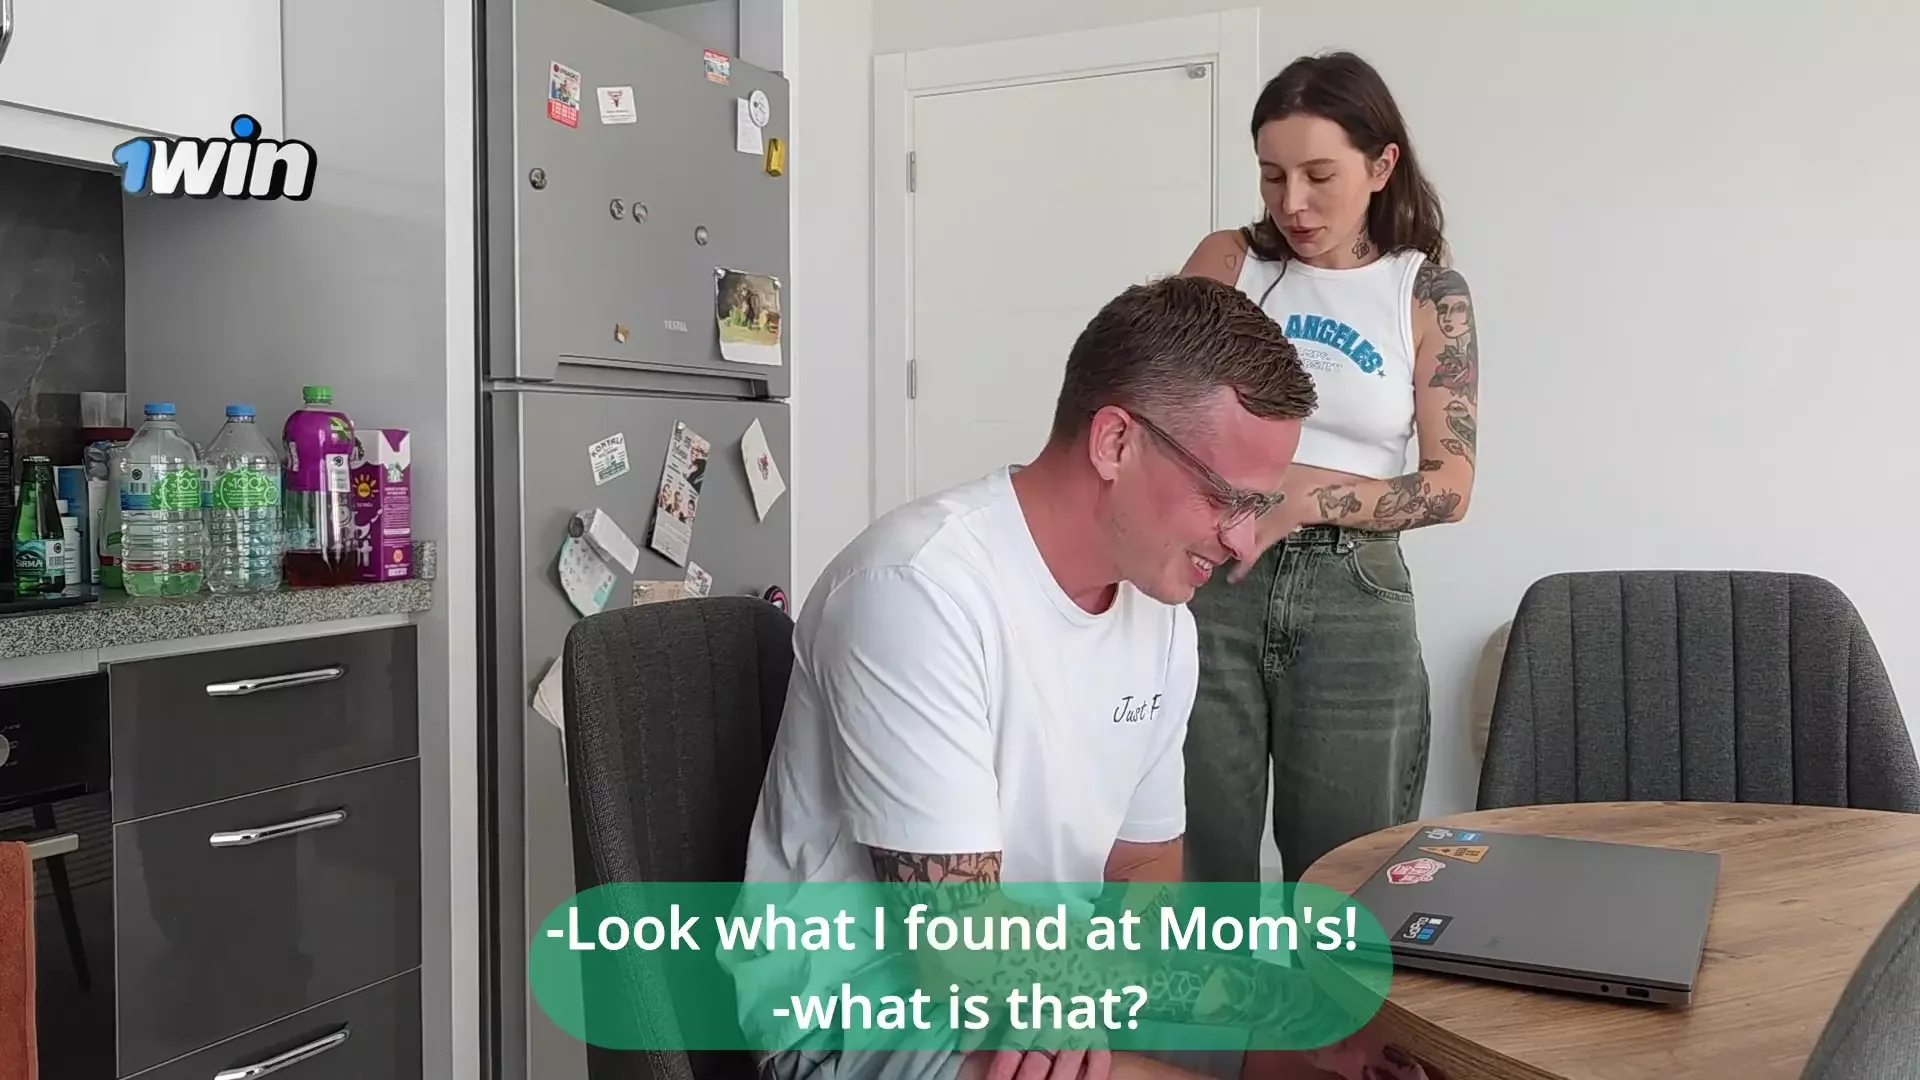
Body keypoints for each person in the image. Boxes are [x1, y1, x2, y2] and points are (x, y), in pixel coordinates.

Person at [739, 276, 1438, 1080]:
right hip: (862, 1014)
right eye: (1228, 499)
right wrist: (1267, 1000)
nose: (1245, 542)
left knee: (1360, 1061)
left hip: (1049, 988)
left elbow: (1142, 874)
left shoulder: (1162, 618)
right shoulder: (916, 589)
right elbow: (961, 955)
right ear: (1115, 443)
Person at [1176, 51, 1480, 885]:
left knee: (1348, 882)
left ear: (1381, 166)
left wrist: (1304, 496)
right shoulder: (1230, 264)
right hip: (1214, 582)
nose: (1293, 204)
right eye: (1272, 175)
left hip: (1356, 596)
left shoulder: (1426, 293)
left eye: (1319, 175)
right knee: (1199, 870)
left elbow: (1450, 486)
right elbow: (1157, 416)